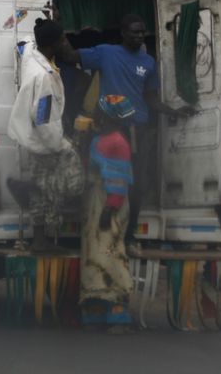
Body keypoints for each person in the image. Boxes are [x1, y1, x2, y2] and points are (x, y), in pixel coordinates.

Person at [61, 13, 194, 250]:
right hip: (110, 130)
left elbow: (150, 99)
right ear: (123, 33)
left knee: (136, 184)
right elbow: (71, 56)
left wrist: (173, 110)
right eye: (134, 31)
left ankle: (130, 235)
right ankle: (98, 231)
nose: (139, 35)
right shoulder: (106, 53)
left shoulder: (149, 63)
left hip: (137, 130)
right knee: (101, 179)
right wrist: (57, 29)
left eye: (142, 32)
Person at [6, 18, 84, 252]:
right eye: (62, 39)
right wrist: (61, 145)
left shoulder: (31, 54)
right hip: (43, 140)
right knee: (71, 184)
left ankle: (42, 239)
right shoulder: (44, 77)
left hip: (31, 140)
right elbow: (43, 118)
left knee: (44, 191)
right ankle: (27, 187)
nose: (65, 43)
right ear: (53, 44)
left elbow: (23, 45)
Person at [80, 95, 136, 330]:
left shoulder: (117, 143)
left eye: (99, 112)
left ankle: (118, 307)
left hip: (109, 204)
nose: (96, 115)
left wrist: (109, 209)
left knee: (111, 252)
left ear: (108, 117)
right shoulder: (100, 139)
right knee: (94, 254)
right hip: (96, 202)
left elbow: (119, 181)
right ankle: (96, 304)